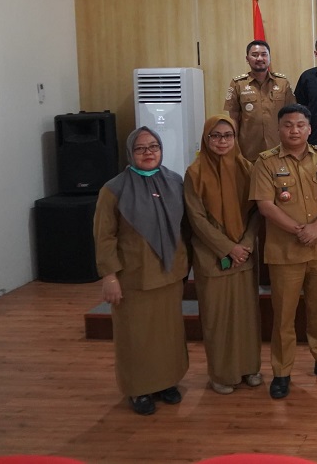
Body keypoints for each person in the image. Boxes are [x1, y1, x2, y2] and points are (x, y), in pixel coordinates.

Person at [250, 104, 317, 400]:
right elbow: (265, 205)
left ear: (309, 129)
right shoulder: (265, 162)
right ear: (279, 129)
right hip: (284, 252)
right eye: (288, 125)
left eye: (300, 125)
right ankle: (281, 371)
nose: (294, 130)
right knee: (284, 317)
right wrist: (299, 230)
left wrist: (316, 227)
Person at [93, 127, 189, 416]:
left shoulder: (174, 181)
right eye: (141, 148)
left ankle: (166, 382)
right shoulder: (113, 189)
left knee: (168, 334)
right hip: (133, 277)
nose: (148, 153)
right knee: (136, 336)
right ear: (130, 153)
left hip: (169, 274)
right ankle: (139, 389)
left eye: (154, 147)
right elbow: (104, 236)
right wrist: (109, 276)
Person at [184, 114, 262, 394]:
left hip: (244, 254)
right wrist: (228, 247)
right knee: (217, 317)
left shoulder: (246, 168)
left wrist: (247, 243)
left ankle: (250, 368)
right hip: (212, 256)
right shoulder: (194, 173)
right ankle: (221, 374)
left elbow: (256, 212)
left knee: (246, 316)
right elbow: (197, 219)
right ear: (206, 139)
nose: (221, 141)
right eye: (215, 136)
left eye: (227, 136)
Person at [224, 40, 296, 160]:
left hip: (279, 148)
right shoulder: (238, 84)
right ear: (247, 58)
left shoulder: (283, 83)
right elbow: (233, 118)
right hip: (249, 150)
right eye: (255, 55)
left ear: (269, 57)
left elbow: (291, 116)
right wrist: (233, 144)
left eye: (264, 54)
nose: (259, 58)